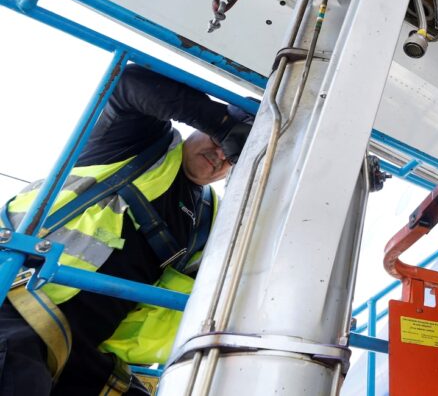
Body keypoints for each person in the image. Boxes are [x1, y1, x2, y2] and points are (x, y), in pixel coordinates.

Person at [0, 64, 252, 395]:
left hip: (83, 343)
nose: (220, 155)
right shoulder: (137, 142)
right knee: (17, 374)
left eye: (233, 156)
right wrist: (224, 124)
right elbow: (129, 83)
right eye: (218, 140)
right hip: (18, 298)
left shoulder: (212, 217)